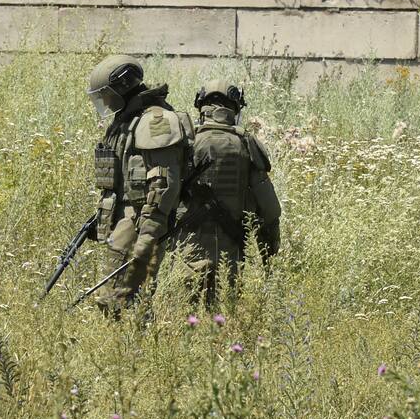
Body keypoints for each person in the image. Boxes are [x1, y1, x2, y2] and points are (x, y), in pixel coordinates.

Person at [86, 55, 190, 316]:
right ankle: (132, 345)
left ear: (122, 87)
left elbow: (163, 181)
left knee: (117, 298)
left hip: (140, 220)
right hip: (127, 219)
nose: (106, 101)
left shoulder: (156, 120)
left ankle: (132, 347)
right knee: (120, 298)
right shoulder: (128, 119)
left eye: (108, 94)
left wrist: (148, 233)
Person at [181, 80, 281, 307]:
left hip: (186, 249)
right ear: (235, 108)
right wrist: (269, 258)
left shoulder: (186, 142)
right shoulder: (246, 143)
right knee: (224, 316)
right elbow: (269, 209)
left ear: (201, 107)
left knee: (187, 317)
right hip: (230, 250)